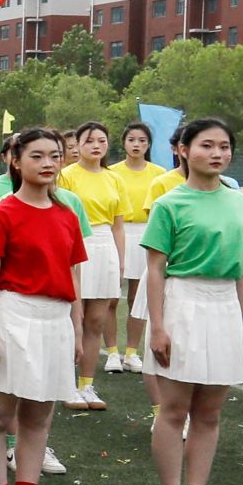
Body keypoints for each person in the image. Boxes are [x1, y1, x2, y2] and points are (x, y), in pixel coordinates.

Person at [0, 127, 85, 485]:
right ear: (16, 161)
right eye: (37, 156)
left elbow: (74, 277)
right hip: (13, 316)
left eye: (54, 155)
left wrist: (76, 329)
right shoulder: (0, 214)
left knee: (38, 416)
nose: (48, 163)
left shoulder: (67, 215)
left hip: (55, 320)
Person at [142, 118, 243, 485]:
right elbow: (155, 270)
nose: (217, 153)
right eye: (207, 145)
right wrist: (158, 326)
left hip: (224, 306)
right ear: (184, 150)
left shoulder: (238, 202)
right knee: (174, 410)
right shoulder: (170, 204)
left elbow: (242, 268)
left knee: (210, 411)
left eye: (224, 146)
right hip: (183, 302)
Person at [57, 121, 126, 409]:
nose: (96, 146)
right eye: (89, 141)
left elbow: (118, 225)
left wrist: (120, 261)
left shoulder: (114, 179)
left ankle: (86, 384)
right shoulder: (66, 176)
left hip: (104, 246)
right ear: (78, 145)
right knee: (72, 317)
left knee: (96, 320)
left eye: (101, 141)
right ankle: (65, 384)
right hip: (76, 244)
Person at [108, 122, 159, 373]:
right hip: (117, 232)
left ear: (149, 144)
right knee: (110, 297)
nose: (136, 144)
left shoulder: (159, 174)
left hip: (146, 232)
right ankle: (111, 352)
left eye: (142, 140)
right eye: (131, 140)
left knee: (138, 297)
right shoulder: (111, 172)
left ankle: (131, 352)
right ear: (124, 143)